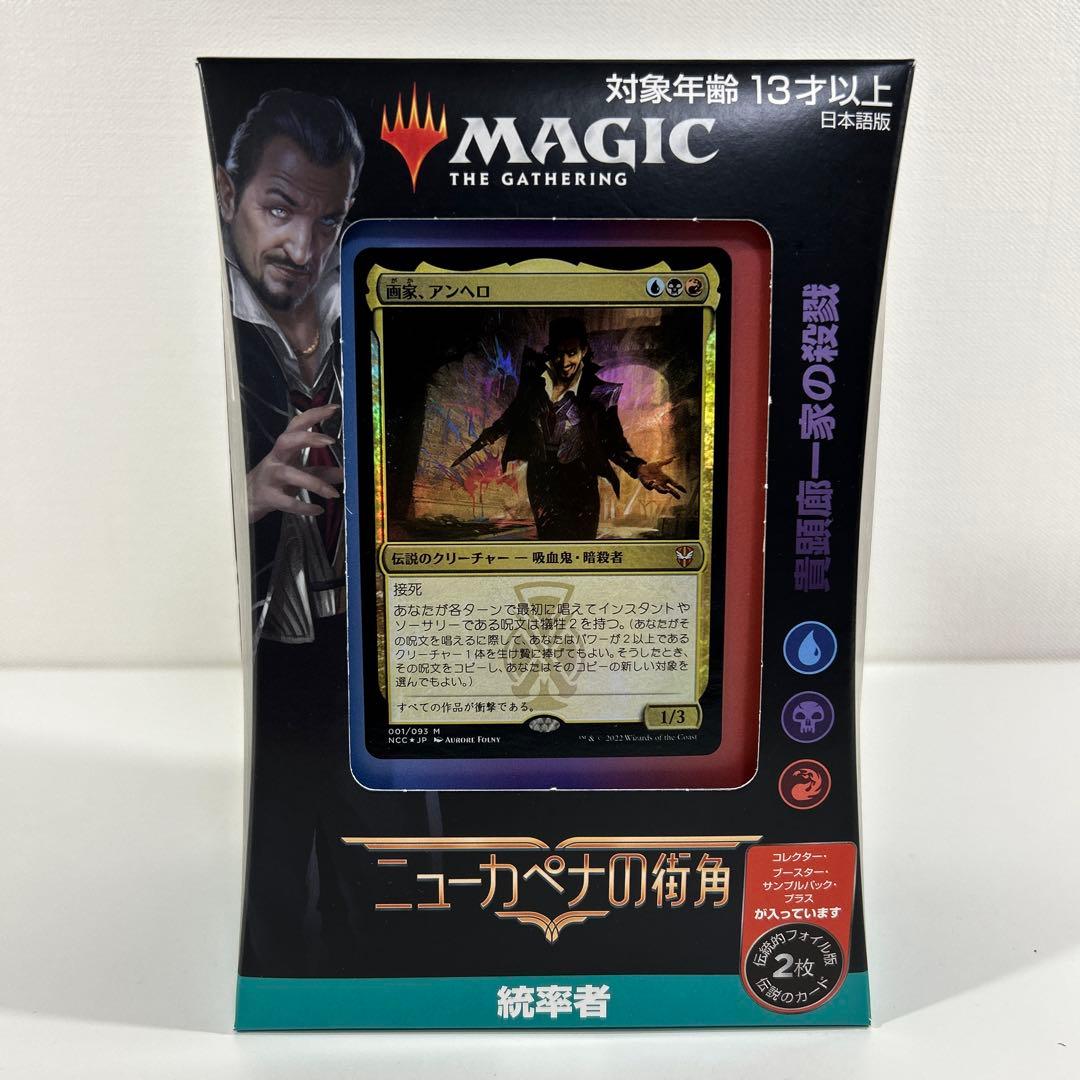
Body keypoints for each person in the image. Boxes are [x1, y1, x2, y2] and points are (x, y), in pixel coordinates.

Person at [215, 88, 362, 974]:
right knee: (267, 881)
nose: (303, 249)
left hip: (363, 652)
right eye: (279, 209)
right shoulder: (191, 324)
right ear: (227, 190)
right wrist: (244, 497)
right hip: (253, 663)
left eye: (327, 220)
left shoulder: (367, 303)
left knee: (379, 873)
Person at [451, 316, 685, 539]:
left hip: (581, 481)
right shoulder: (535, 384)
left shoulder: (600, 393)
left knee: (580, 544)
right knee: (550, 541)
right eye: (558, 353)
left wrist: (639, 467)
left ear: (584, 351)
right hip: (541, 480)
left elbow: (613, 443)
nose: (564, 363)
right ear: (550, 352)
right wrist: (490, 434)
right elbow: (513, 415)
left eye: (571, 353)